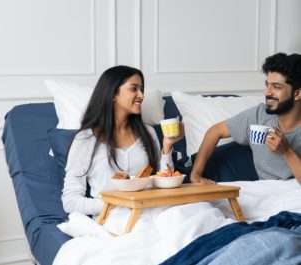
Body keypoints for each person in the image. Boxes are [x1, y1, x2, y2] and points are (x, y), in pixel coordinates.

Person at [62, 65, 184, 216]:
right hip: (114, 218)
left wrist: (167, 147)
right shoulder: (86, 140)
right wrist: (116, 203)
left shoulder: (148, 133)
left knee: (200, 214)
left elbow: (163, 183)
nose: (141, 95)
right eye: (134, 89)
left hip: (154, 211)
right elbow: (70, 201)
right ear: (113, 94)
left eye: (141, 89)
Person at [190, 52, 301, 185]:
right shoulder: (259, 116)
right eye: (267, 85)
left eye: (276, 87)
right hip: (268, 196)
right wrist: (195, 174)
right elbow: (215, 131)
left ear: (298, 93)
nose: (267, 92)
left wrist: (287, 151)